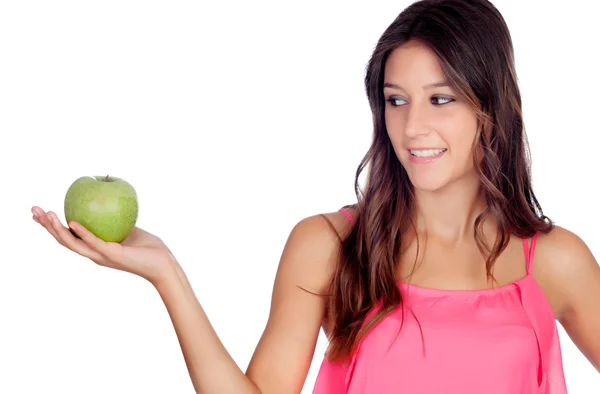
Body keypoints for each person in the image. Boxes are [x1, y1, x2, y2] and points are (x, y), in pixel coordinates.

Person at [31, 0, 599, 393]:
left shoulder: (555, 261)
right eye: (396, 100)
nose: (413, 127)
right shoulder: (328, 244)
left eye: (441, 99)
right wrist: (167, 274)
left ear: (490, 106)